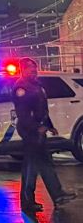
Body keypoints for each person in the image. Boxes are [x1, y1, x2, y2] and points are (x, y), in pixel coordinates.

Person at [13, 59, 76, 213]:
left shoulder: (37, 85)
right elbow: (23, 114)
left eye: (35, 68)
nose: (34, 71)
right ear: (22, 70)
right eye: (30, 69)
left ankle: (45, 198)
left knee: (38, 164)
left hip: (39, 130)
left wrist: (50, 126)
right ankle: (47, 197)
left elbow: (43, 109)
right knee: (37, 164)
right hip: (30, 131)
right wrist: (37, 127)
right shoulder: (21, 88)